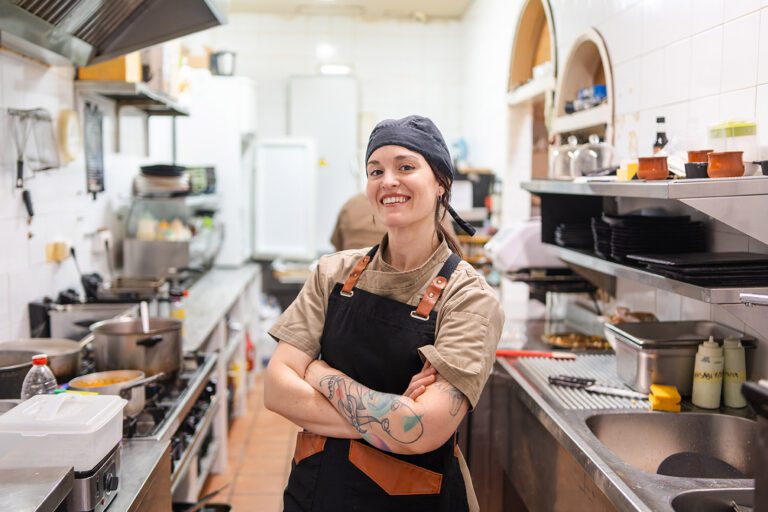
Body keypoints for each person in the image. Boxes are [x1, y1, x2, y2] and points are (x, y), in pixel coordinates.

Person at [265, 115, 504, 512]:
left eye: (406, 167)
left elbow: (425, 429)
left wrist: (319, 373)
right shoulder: (332, 273)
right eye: (376, 170)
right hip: (316, 493)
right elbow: (275, 390)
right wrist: (393, 419)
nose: (388, 180)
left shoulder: (468, 297)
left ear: (441, 183)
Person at [330, 191, 457, 251]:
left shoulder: (352, 204)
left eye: (406, 168)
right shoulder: (430, 207)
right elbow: (454, 254)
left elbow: (338, 249)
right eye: (378, 172)